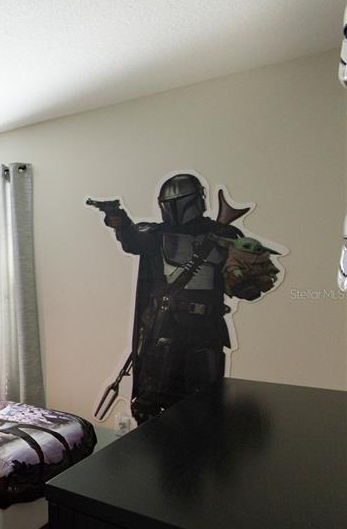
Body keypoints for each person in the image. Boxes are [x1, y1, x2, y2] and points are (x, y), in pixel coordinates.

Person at [95, 174, 276, 424]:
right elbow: (131, 240)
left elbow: (244, 277)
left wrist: (247, 281)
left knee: (205, 405)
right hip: (164, 329)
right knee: (151, 404)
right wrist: (118, 218)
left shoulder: (224, 234)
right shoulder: (156, 234)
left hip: (206, 330)